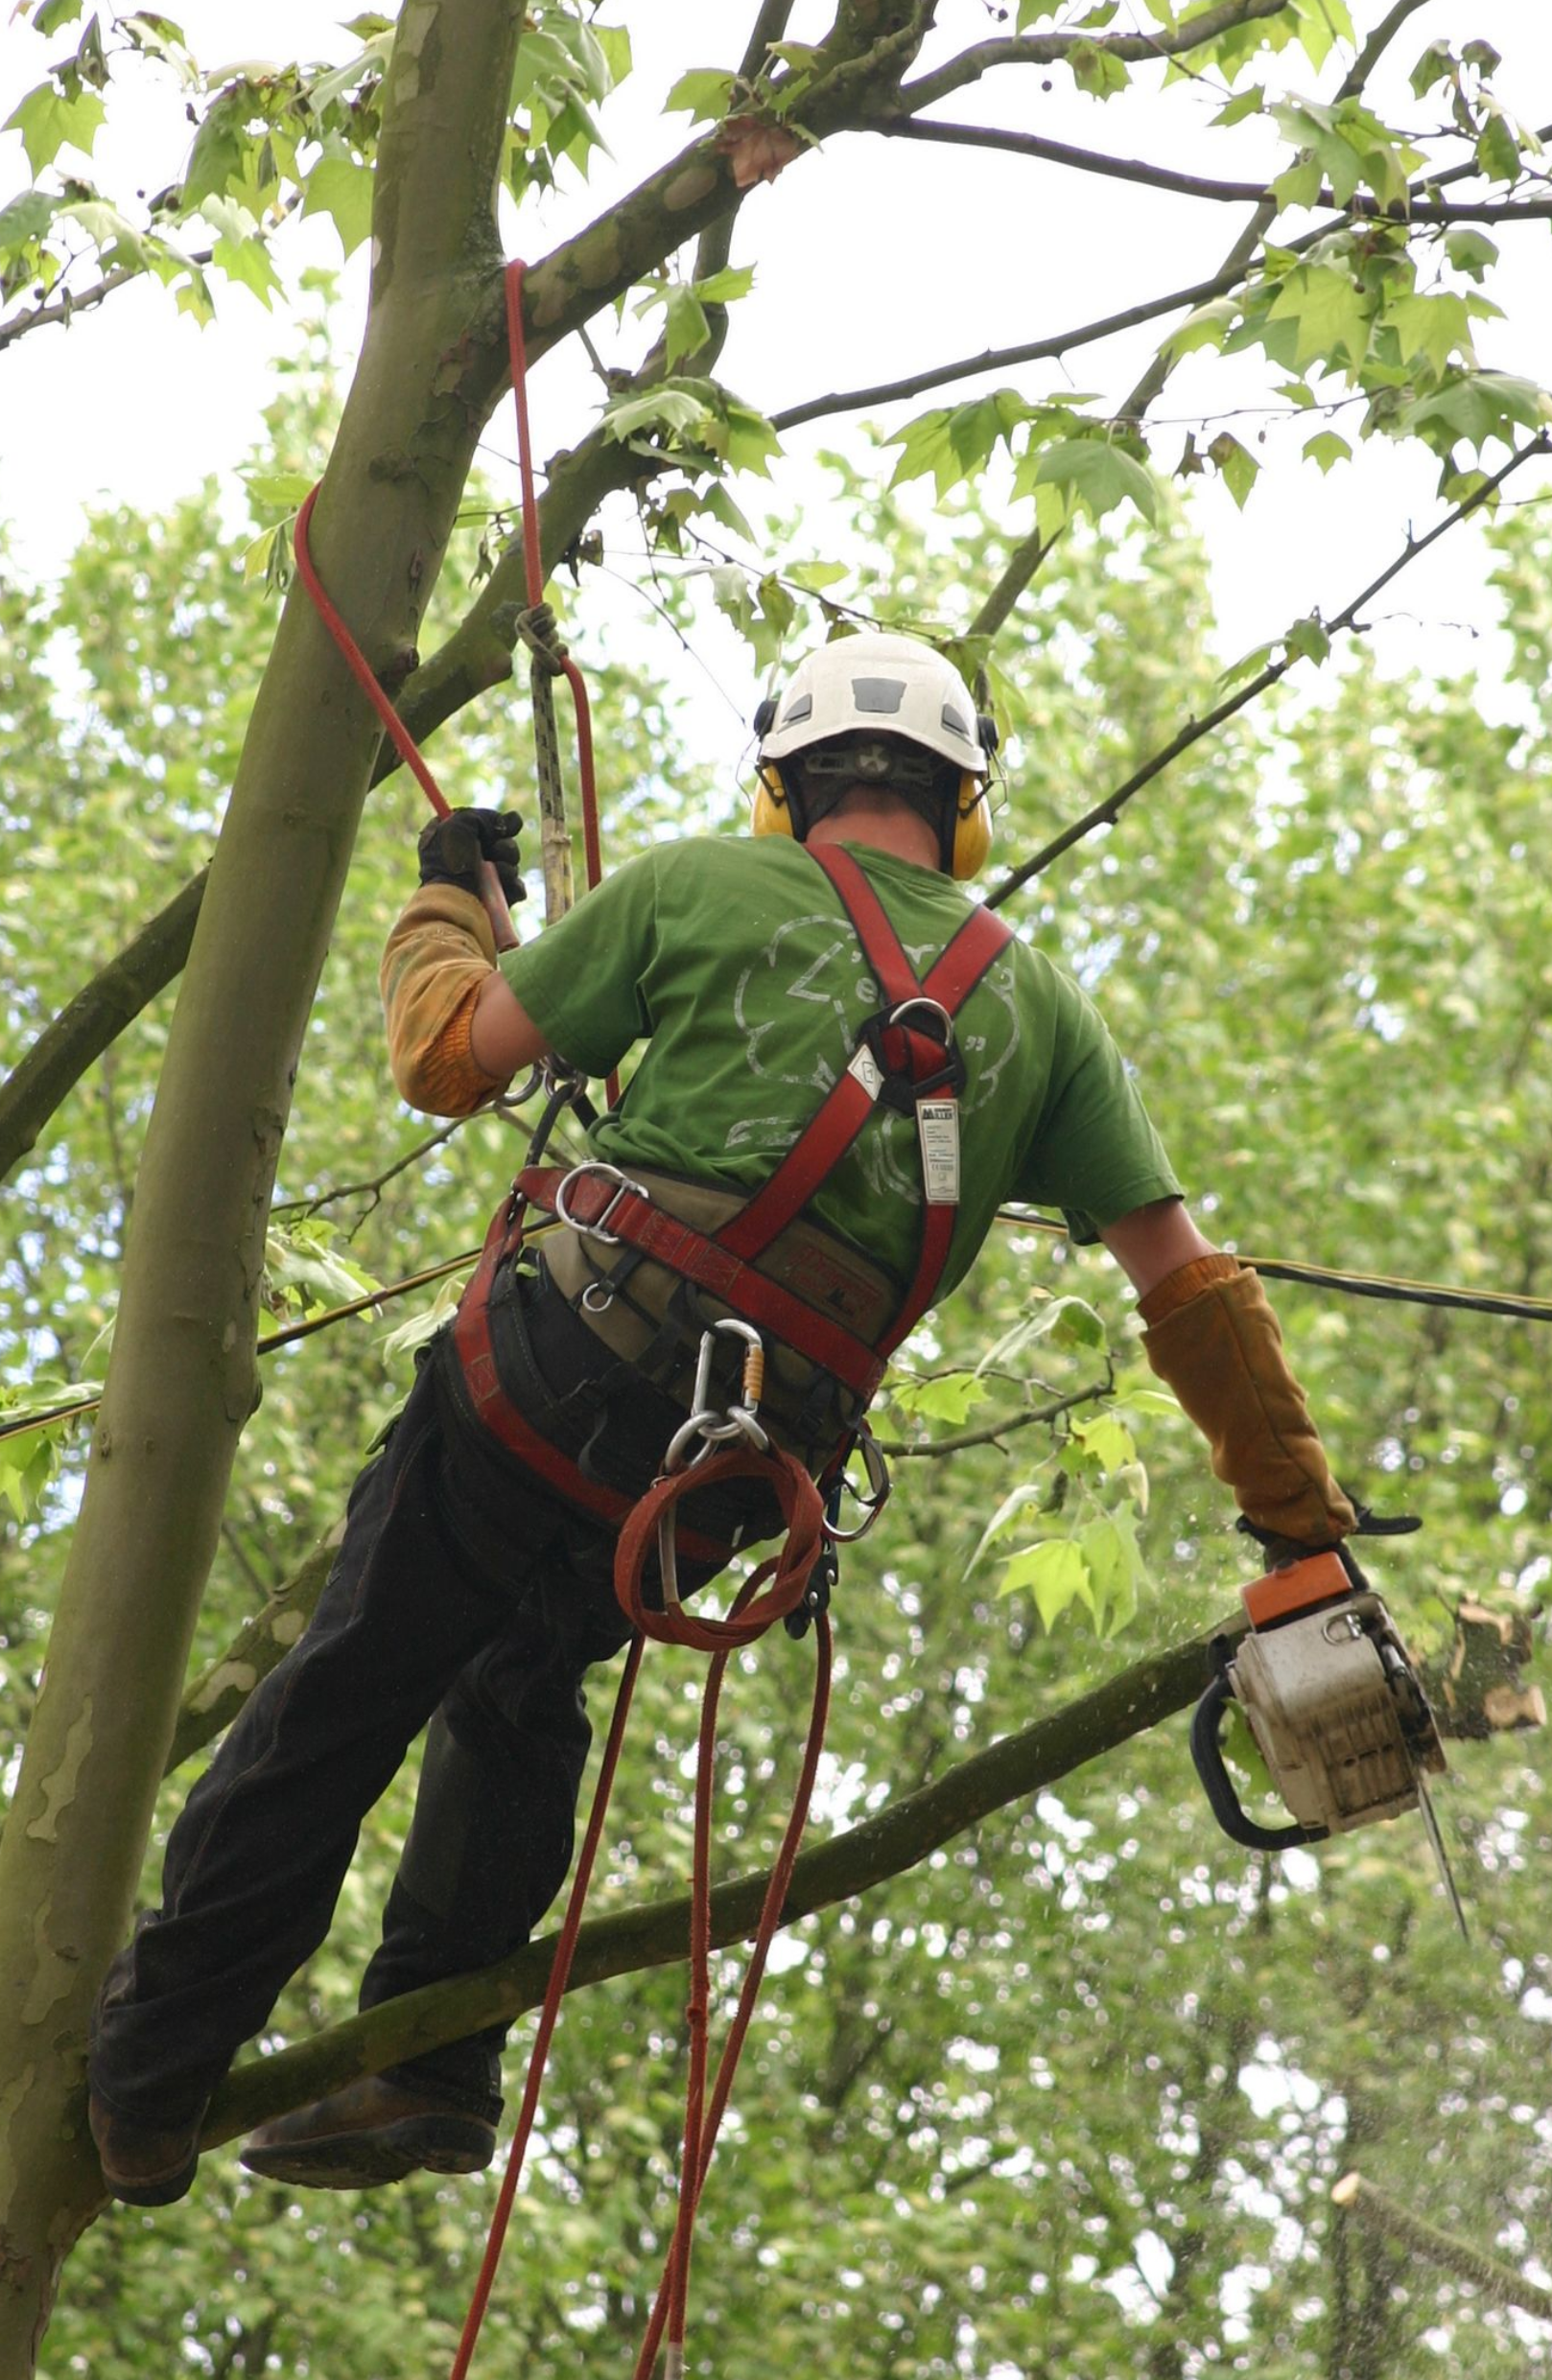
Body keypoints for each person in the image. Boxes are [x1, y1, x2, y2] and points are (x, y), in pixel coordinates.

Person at [87, 633, 1358, 2206]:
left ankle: (146, 2079)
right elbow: (1193, 1293)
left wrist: (442, 910)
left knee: (347, 1688)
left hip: (542, 1378)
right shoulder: (1045, 1013)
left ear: (787, 787)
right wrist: (1299, 1526)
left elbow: (439, 1058)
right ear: (964, 813)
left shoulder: (697, 889)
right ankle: (423, 2061)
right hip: (732, 1479)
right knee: (520, 1673)